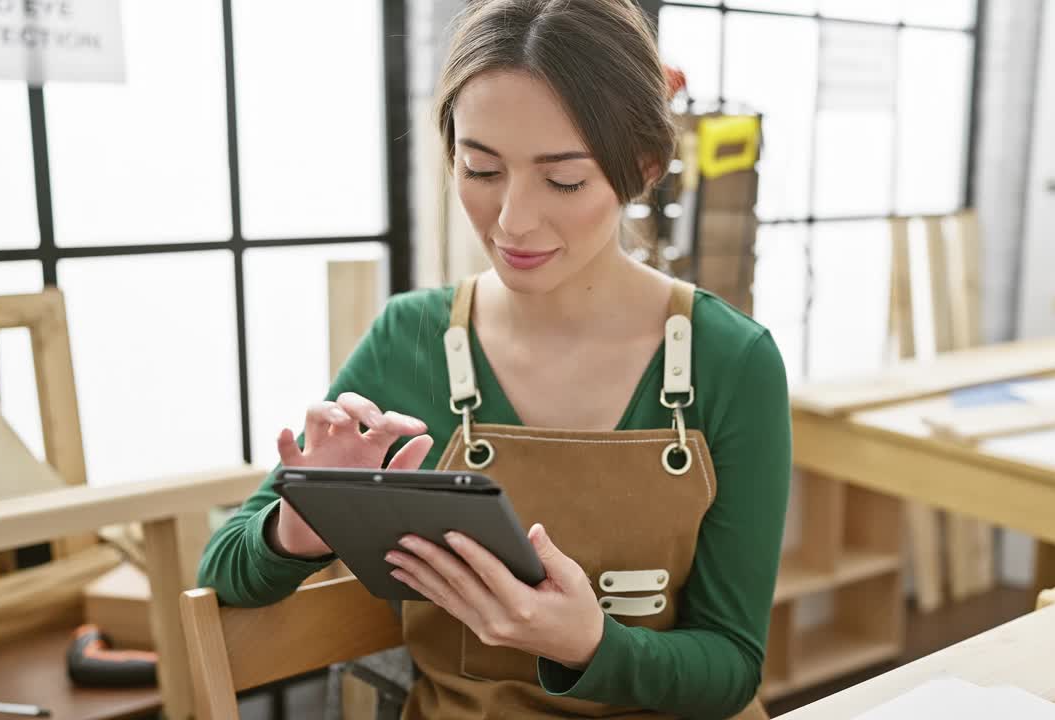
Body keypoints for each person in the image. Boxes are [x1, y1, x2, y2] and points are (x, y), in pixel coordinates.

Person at [197, 1, 791, 717]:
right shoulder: (409, 338)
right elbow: (223, 568)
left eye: (563, 181)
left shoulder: (732, 362)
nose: (512, 220)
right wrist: (303, 522)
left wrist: (590, 644)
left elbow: (731, 667)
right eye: (480, 168)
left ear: (643, 166)